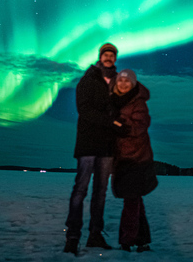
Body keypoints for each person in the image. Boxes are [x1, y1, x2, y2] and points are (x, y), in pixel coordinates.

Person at [63, 42, 128, 255]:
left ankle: (95, 235)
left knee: (100, 193)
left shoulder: (119, 83)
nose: (109, 57)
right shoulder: (88, 80)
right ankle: (73, 237)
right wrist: (112, 122)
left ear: (115, 58)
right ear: (100, 57)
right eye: (105, 54)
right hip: (88, 144)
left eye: (112, 55)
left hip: (107, 147)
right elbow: (85, 110)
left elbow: (121, 112)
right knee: (80, 191)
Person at [109, 69, 158, 252]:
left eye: (127, 82)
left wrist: (119, 125)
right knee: (135, 200)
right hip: (121, 158)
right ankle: (142, 241)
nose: (123, 84)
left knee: (131, 200)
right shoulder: (113, 101)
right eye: (120, 81)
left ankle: (127, 240)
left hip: (136, 158)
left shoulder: (138, 102)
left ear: (133, 84)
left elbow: (140, 125)